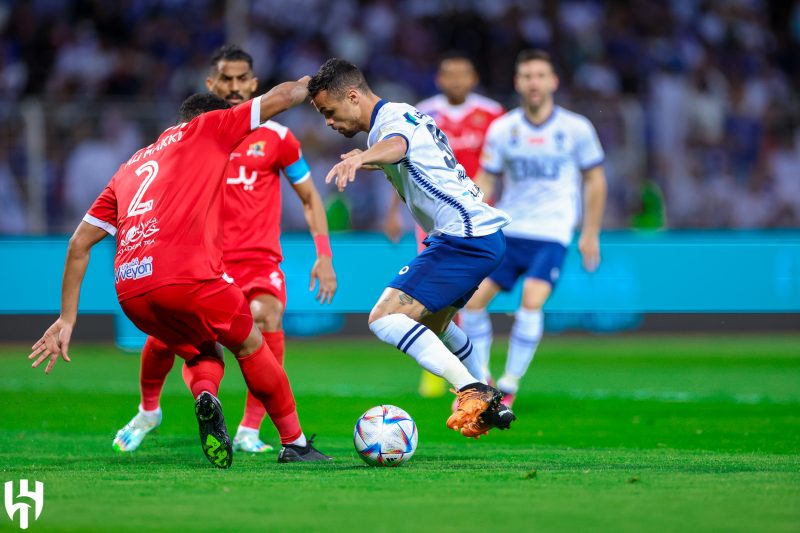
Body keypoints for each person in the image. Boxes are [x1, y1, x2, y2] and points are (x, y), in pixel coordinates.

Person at [29, 82, 331, 467]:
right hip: (189, 279)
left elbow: (77, 245)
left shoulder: (132, 164)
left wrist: (67, 318)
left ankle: (204, 395)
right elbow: (281, 98)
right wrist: (317, 82)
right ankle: (296, 444)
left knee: (202, 348)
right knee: (253, 345)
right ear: (210, 117)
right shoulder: (210, 128)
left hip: (132, 292)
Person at [112, 45, 337, 455]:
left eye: (242, 79)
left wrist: (324, 254)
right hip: (198, 260)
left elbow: (308, 198)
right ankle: (150, 409)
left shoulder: (279, 138)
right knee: (167, 341)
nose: (234, 87)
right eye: (226, 80)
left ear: (254, 84)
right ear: (211, 84)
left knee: (265, 316)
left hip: (255, 257)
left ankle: (250, 428)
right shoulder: (188, 139)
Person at [307, 58, 515, 438]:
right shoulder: (402, 116)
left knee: (383, 318)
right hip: (478, 237)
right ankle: (488, 399)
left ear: (352, 96)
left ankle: (472, 390)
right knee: (435, 326)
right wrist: (370, 159)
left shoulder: (391, 123)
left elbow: (397, 145)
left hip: (462, 237)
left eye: (329, 112)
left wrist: (363, 157)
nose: (329, 123)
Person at [460, 49, 608, 408]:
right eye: (527, 76)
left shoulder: (575, 128)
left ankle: (509, 383)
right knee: (472, 304)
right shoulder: (503, 129)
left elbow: (596, 179)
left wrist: (590, 232)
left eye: (540, 75)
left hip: (552, 234)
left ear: (553, 81)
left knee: (531, 301)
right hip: (510, 230)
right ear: (517, 83)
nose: (534, 82)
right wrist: (467, 209)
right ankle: (482, 380)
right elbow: (488, 180)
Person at [383, 51, 505, 398]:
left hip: (476, 219)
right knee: (430, 298)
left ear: (473, 78)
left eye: (462, 73)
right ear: (439, 79)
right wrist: (394, 212)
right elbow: (403, 168)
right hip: (433, 219)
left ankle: (469, 376)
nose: (455, 80)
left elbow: (501, 164)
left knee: (460, 301)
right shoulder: (424, 112)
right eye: (449, 74)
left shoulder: (492, 113)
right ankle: (448, 374)